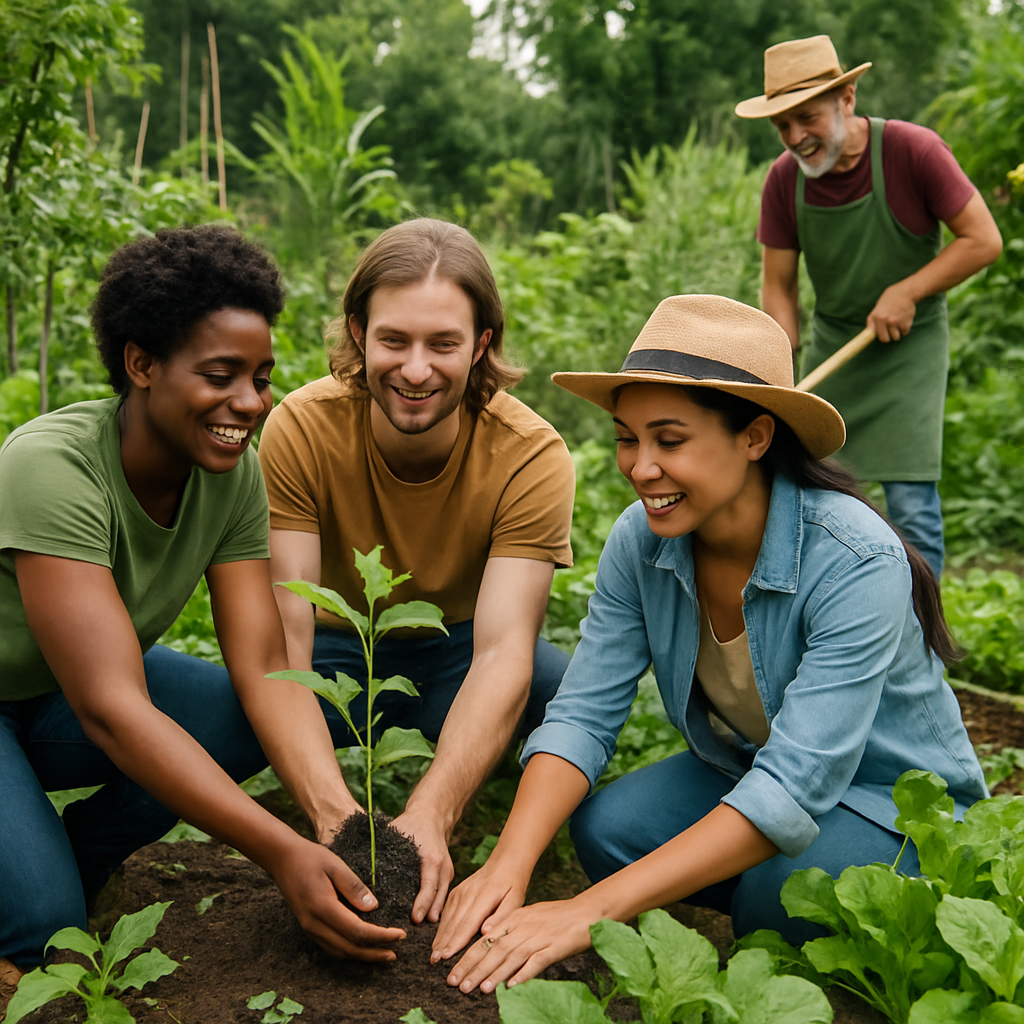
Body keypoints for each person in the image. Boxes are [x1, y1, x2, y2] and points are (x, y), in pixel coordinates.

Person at [431, 294, 987, 994]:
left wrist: (585, 911)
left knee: (773, 895)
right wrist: (507, 865)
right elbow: (581, 714)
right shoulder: (642, 542)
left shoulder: (856, 558)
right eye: (626, 437)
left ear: (755, 437)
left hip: (892, 799)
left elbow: (798, 781)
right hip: (750, 765)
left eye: (670, 440)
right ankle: (770, 883)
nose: (639, 467)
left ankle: (815, 894)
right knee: (610, 829)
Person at [0, 225, 407, 974]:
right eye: (221, 374)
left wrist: (337, 819)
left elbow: (260, 663)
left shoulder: (231, 473)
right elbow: (111, 711)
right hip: (59, 698)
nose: (249, 403)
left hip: (53, 696)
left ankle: (74, 855)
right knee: (43, 937)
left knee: (245, 715)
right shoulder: (50, 468)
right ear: (142, 363)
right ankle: (34, 879)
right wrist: (279, 852)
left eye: (260, 376)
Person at [257, 218, 576, 927]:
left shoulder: (529, 455)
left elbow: (500, 653)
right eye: (394, 340)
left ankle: (500, 828)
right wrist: (339, 816)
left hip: (457, 649)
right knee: (238, 705)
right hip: (343, 652)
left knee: (564, 695)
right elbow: (287, 639)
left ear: (483, 343)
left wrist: (430, 810)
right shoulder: (302, 429)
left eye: (444, 344)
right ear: (359, 331)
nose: (416, 369)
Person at [734, 34, 1002, 578]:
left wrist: (908, 291)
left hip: (912, 344)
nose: (794, 138)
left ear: (848, 98)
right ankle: (837, 614)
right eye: (781, 126)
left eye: (805, 118)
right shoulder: (784, 180)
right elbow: (780, 287)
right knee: (810, 487)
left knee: (910, 504)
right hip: (837, 342)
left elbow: (983, 240)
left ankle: (923, 647)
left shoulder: (913, 151)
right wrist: (777, 368)